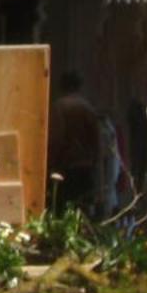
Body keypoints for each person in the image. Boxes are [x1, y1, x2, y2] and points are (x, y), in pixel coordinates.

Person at [49, 71, 103, 216]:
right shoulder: (88, 108)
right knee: (84, 211)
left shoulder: (60, 107)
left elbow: (57, 138)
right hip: (86, 168)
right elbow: (97, 141)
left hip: (67, 168)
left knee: (63, 212)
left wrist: (52, 163)